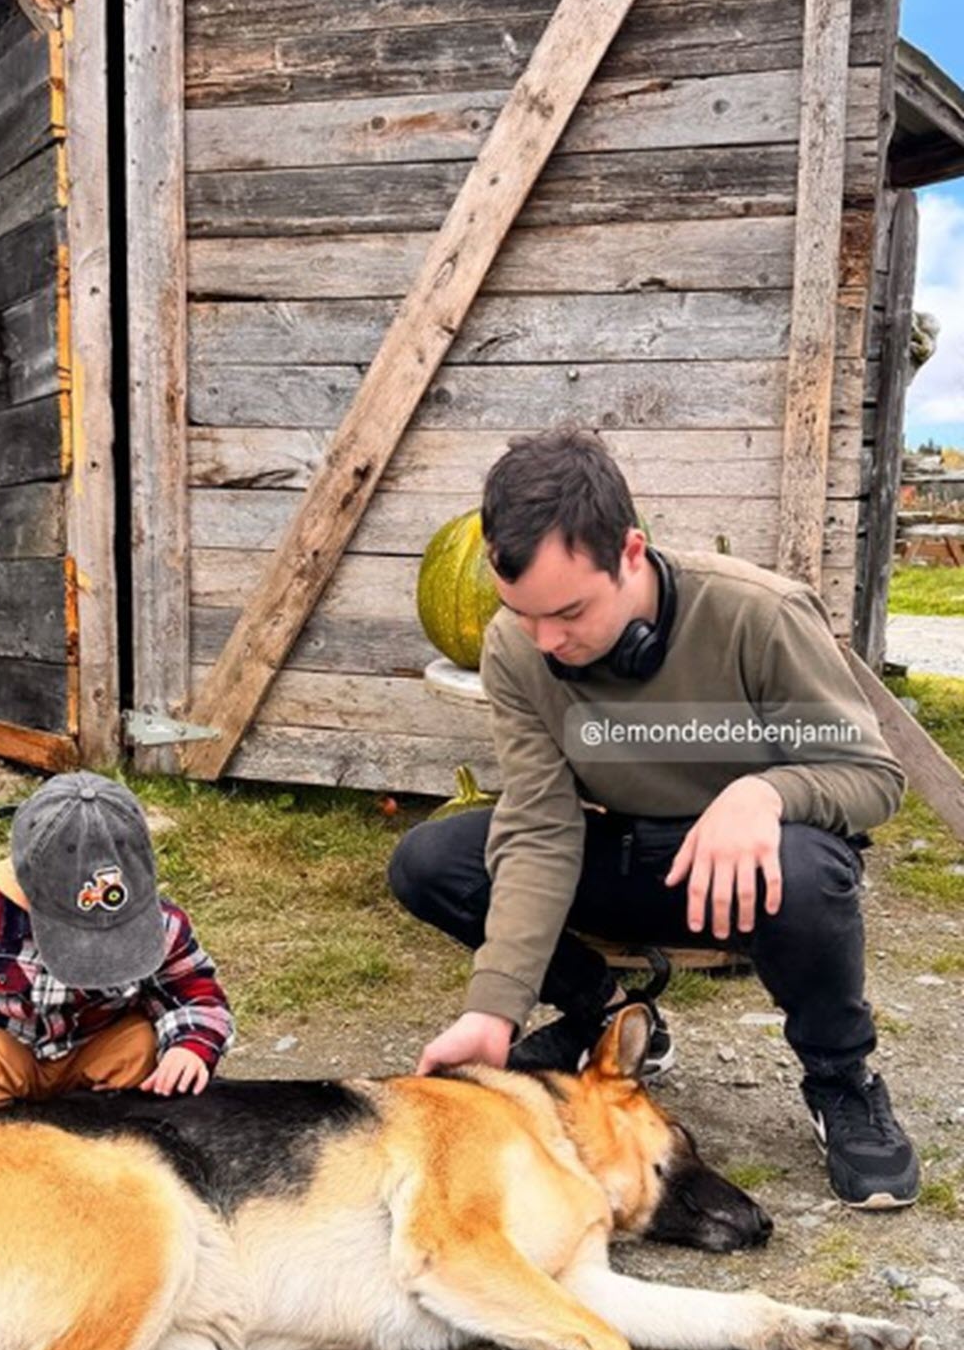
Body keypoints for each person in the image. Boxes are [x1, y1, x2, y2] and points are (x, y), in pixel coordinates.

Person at [390, 428, 919, 1210]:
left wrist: (764, 795)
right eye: (523, 615)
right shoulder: (517, 648)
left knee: (809, 866)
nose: (547, 642)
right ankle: (611, 1015)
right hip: (624, 856)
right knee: (433, 861)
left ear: (630, 553)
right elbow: (539, 827)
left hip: (751, 872)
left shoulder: (757, 615)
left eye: (568, 612)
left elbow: (875, 778)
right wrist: (492, 1008)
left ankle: (841, 1081)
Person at [0, 772, 233, 1128]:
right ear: (26, 889)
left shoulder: (162, 924)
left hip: (91, 1047)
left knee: (141, 1050)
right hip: (5, 1049)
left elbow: (195, 995)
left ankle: (99, 1133)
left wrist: (191, 1046)